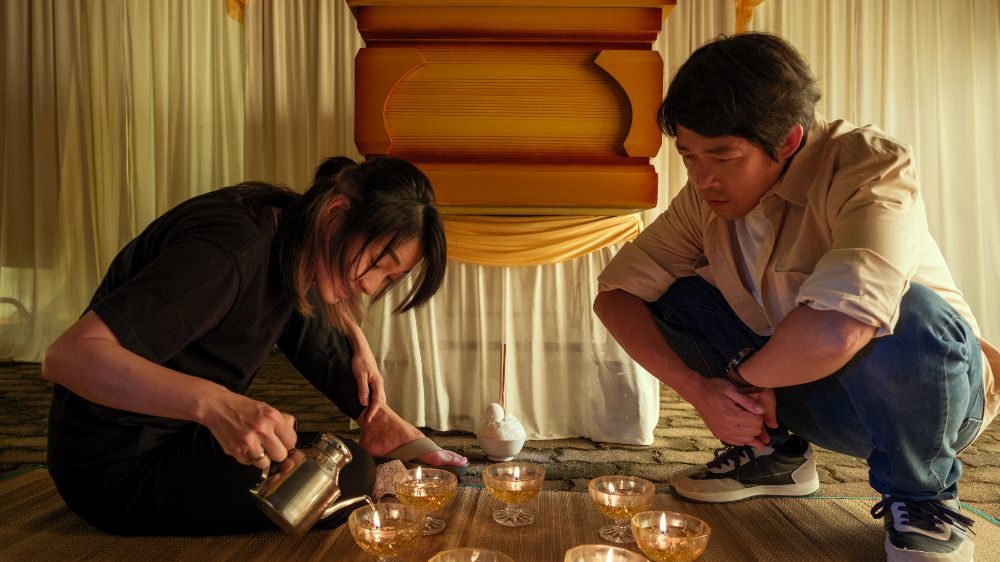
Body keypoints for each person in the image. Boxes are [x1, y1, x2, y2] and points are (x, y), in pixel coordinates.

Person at [594, 33, 997, 561]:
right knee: (673, 295)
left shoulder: (870, 166)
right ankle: (774, 454)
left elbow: (842, 326)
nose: (702, 178)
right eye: (688, 155)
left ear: (787, 141)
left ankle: (923, 497)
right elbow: (616, 295)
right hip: (803, 390)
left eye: (723, 156)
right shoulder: (703, 198)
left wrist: (743, 380)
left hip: (929, 401)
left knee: (909, 311)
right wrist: (700, 392)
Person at [42, 155, 467, 536]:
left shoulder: (286, 227)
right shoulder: (229, 252)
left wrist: (356, 343)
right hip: (116, 469)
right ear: (336, 212)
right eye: (378, 263)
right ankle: (373, 434)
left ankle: (379, 425)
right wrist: (215, 404)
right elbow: (66, 357)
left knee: (337, 458)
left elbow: (308, 312)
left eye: (390, 278)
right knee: (350, 475)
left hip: (188, 436)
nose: (372, 286)